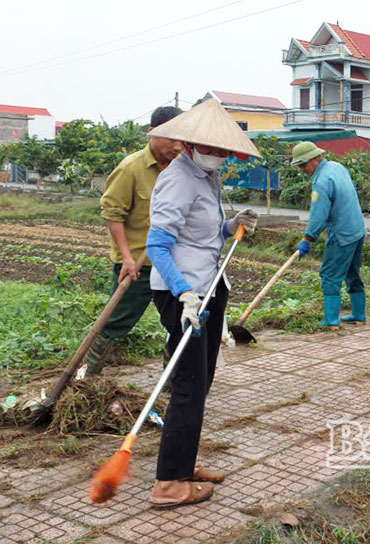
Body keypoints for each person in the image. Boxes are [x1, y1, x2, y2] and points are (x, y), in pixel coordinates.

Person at [144, 99, 260, 507]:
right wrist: (183, 293)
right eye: (219, 150)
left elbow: (205, 235)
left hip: (209, 287)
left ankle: (183, 462)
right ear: (193, 143)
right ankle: (169, 484)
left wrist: (233, 224)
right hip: (185, 295)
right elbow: (157, 245)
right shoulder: (178, 179)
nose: (223, 157)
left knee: (202, 381)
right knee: (189, 387)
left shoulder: (206, 176)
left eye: (227, 151)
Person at [84, 106, 183, 375]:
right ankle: (88, 373)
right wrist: (127, 257)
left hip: (171, 263)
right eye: (171, 138)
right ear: (153, 133)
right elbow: (113, 214)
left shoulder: (181, 170)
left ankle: (173, 378)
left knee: (178, 321)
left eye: (181, 139)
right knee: (116, 320)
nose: (178, 146)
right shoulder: (131, 168)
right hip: (137, 264)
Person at [290, 141, 367, 329]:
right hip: (357, 230)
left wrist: (307, 238)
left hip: (341, 234)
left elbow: (319, 215)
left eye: (303, 164)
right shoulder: (337, 167)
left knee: (330, 275)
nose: (302, 169)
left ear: (315, 159)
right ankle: (359, 315)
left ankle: (331, 321)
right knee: (351, 272)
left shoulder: (321, 182)